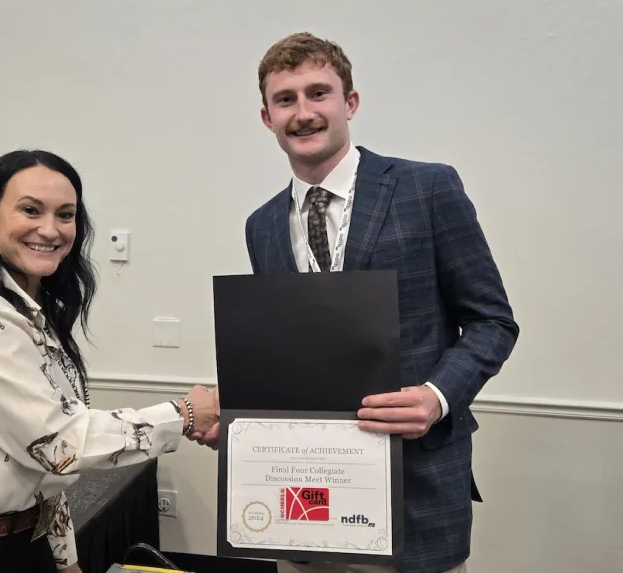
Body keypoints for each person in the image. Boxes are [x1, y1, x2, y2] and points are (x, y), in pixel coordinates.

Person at [194, 32, 519, 572]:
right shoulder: (263, 226)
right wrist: (239, 416)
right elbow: (289, 355)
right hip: (300, 502)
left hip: (416, 489)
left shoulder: (428, 188)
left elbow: (492, 322)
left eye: (318, 93)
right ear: (266, 117)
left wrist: (436, 396)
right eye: (285, 99)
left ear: (350, 102)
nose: (303, 112)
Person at [0, 149, 220, 573]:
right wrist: (185, 414)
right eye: (30, 210)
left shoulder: (27, 311)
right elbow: (59, 441)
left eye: (66, 214)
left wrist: (63, 556)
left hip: (22, 546)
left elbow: (34, 461)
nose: (50, 229)